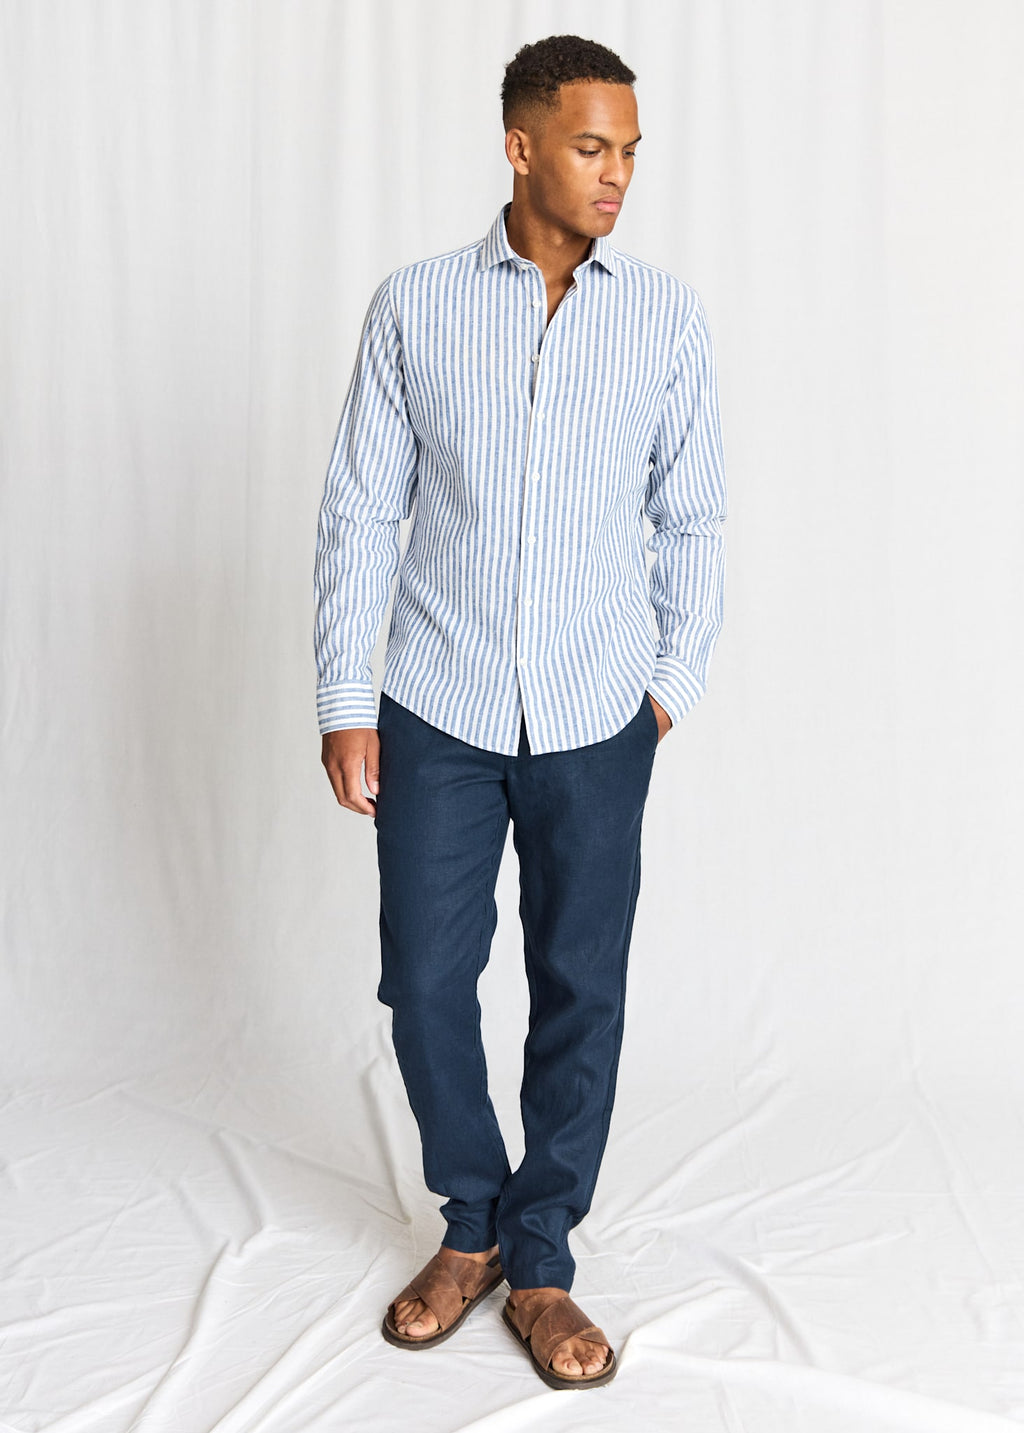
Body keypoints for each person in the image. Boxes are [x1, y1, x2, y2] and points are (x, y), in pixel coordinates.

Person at [314, 33, 726, 1391]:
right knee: (425, 979)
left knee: (578, 985)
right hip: (437, 704)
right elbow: (363, 511)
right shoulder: (416, 307)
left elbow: (694, 518)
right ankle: (470, 1220)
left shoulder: (664, 319)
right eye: (592, 147)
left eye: (630, 152)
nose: (617, 176)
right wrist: (345, 698)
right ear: (520, 146)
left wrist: (665, 690)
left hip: (601, 717)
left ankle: (541, 1255)